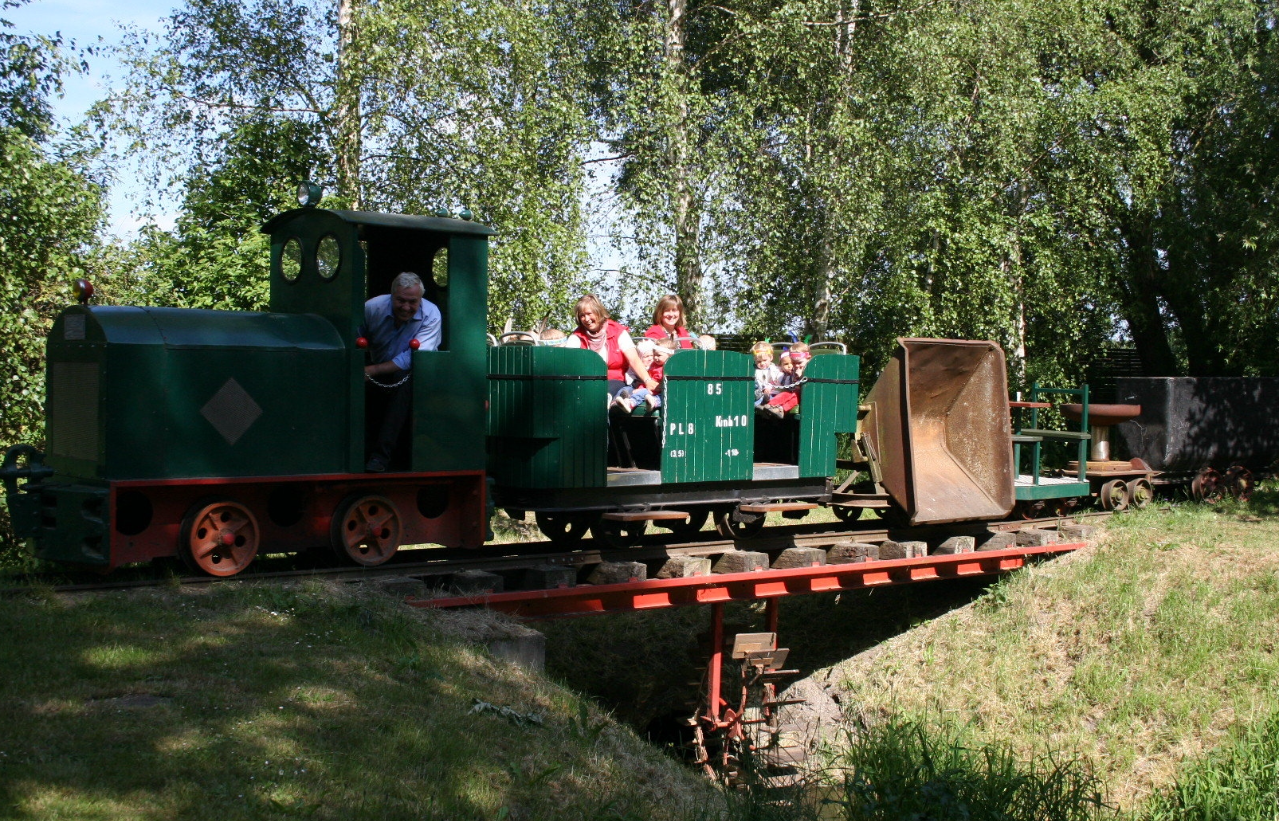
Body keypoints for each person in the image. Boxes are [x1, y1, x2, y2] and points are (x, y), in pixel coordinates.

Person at [359, 272, 442, 472]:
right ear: (392, 296)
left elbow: (410, 359)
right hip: (376, 366)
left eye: (412, 302)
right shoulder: (372, 308)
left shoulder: (431, 315)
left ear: (420, 299)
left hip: (415, 373)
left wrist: (371, 370)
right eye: (400, 301)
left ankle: (380, 458)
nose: (406, 307)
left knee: (403, 381)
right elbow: (355, 336)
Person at [563, 294, 656, 398]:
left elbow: (634, 359)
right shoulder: (576, 337)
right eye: (582, 316)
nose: (586, 319)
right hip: (585, 383)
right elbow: (568, 363)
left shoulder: (617, 332)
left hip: (615, 381)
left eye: (589, 314)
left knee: (606, 393)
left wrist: (647, 380)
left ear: (598, 312)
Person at [751, 341, 782, 406]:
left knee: (773, 397)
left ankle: (764, 403)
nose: (762, 363)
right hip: (758, 394)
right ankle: (757, 405)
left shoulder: (775, 370)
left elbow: (778, 381)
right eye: (759, 361)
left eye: (765, 360)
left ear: (771, 358)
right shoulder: (754, 371)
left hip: (772, 393)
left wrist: (769, 388)